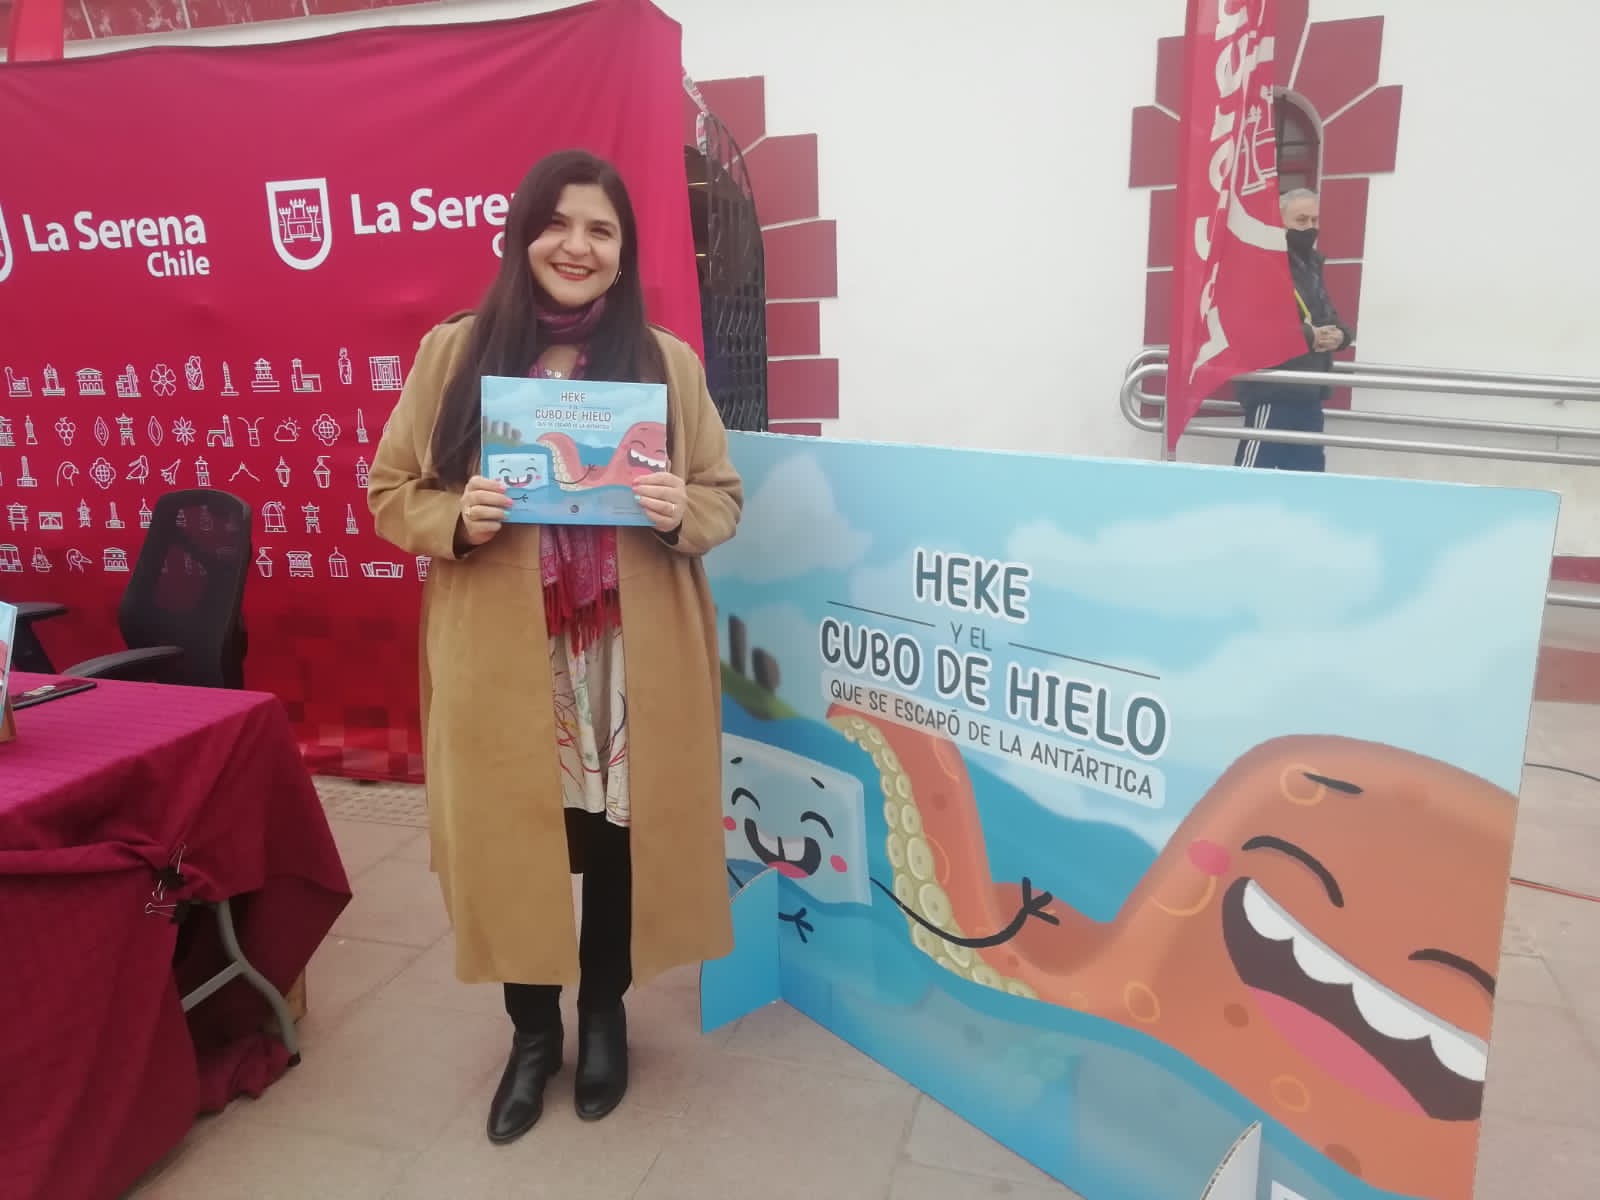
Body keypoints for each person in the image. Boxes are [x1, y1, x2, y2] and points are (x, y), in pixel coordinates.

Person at [367, 148, 742, 1145]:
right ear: (522, 235)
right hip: (506, 653)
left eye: (601, 230)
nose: (577, 246)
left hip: (628, 654)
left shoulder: (665, 363)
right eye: (558, 224)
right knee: (513, 843)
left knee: (618, 843)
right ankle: (533, 1034)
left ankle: (604, 1013)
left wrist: (679, 509)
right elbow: (390, 491)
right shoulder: (456, 353)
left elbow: (722, 497)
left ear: (624, 250)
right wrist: (456, 516)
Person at [1234, 187, 1355, 472]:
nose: (1310, 228)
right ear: (1280, 222)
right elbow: (1252, 327)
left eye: (1314, 220)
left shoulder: (1312, 264)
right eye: (1301, 220)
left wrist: (1340, 336)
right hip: (1273, 392)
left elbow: (1329, 315)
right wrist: (1310, 336)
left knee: (1307, 479)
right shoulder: (1260, 264)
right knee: (1253, 477)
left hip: (1310, 391)